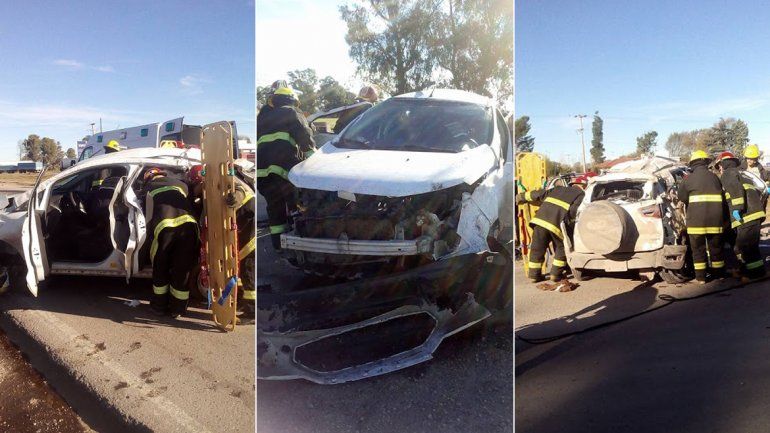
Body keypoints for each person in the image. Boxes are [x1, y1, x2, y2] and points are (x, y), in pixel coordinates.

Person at [256, 86, 315, 250]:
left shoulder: (262, 118)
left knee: (275, 209)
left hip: (262, 174)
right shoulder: (292, 112)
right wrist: (314, 159)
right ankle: (301, 243)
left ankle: (278, 245)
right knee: (297, 206)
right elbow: (304, 134)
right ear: (293, 100)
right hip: (284, 170)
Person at [142, 167, 199, 317]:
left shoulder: (147, 187)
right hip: (190, 227)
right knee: (182, 269)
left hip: (165, 228)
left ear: (148, 178)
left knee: (161, 266)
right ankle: (178, 309)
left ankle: (159, 307)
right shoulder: (180, 184)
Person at [516, 177, 587, 282]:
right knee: (562, 248)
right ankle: (556, 274)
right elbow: (573, 212)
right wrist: (569, 228)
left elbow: (539, 194)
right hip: (556, 225)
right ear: (583, 186)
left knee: (537, 248)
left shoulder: (558, 189)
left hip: (540, 221)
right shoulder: (581, 195)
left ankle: (534, 275)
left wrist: (521, 196)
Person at [677, 150, 726, 283]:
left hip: (696, 223)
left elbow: (682, 197)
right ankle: (719, 275)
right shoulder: (715, 177)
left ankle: (701, 278)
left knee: (698, 250)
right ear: (706, 163)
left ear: (692, 164)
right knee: (716, 249)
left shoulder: (688, 180)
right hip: (715, 221)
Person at [717, 151, 766, 279]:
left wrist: (737, 209)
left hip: (746, 215)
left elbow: (735, 189)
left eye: (719, 166)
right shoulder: (742, 173)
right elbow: (760, 188)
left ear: (723, 164)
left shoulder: (728, 174)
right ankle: (759, 271)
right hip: (756, 213)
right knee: (752, 246)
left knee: (741, 246)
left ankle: (749, 273)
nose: (719, 169)